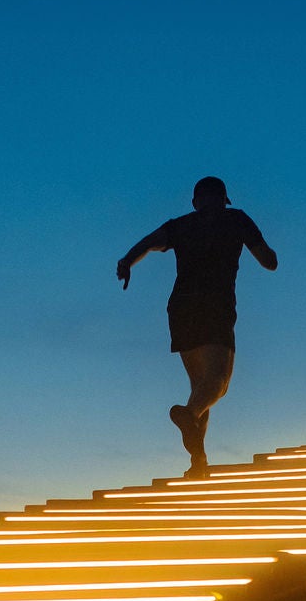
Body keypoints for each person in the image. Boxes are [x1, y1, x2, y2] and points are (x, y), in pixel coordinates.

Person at [116, 176, 278, 476]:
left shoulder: (181, 225)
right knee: (218, 381)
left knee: (200, 386)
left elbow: (149, 243)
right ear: (224, 199)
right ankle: (186, 414)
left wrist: (127, 261)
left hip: (181, 310)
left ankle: (198, 461)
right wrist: (268, 256)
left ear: (195, 202)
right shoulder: (236, 220)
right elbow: (268, 261)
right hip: (215, 308)